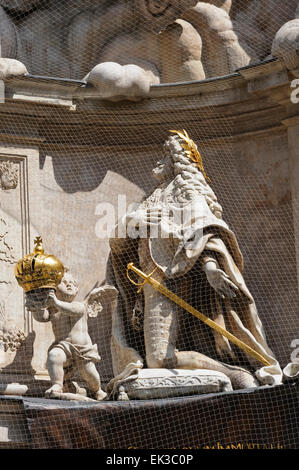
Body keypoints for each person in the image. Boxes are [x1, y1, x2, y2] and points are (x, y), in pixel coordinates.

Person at [108, 130, 284, 389]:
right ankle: (229, 373)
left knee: (158, 360)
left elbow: (206, 228)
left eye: (165, 155)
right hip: (148, 282)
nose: (158, 160)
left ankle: (236, 374)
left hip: (170, 279)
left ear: (177, 160)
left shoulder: (185, 189)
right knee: (158, 359)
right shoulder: (153, 195)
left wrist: (211, 266)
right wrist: (130, 222)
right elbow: (117, 242)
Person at [25, 269, 107, 400]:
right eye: (64, 282)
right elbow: (42, 317)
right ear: (54, 289)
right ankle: (57, 385)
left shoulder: (79, 305)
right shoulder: (52, 309)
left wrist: (55, 302)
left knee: (89, 373)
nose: (69, 285)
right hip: (63, 346)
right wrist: (35, 306)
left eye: (72, 283)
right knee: (54, 356)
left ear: (77, 289)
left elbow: (72, 311)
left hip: (82, 349)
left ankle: (98, 390)